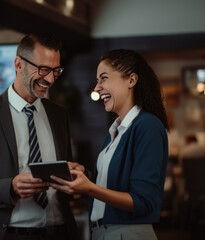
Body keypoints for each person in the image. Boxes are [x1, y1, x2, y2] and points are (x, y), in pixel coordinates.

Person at [0, 33, 79, 240]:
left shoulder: (59, 114)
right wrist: (9, 187)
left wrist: (79, 173)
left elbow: (69, 168)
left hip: (60, 232)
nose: (50, 79)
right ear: (19, 64)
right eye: (44, 69)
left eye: (56, 71)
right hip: (9, 234)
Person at [49, 49, 169, 240]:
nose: (97, 88)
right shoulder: (116, 130)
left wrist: (89, 188)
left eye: (103, 78)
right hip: (102, 233)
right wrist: (85, 176)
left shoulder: (147, 125)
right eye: (97, 81)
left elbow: (143, 201)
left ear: (131, 80)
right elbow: (114, 186)